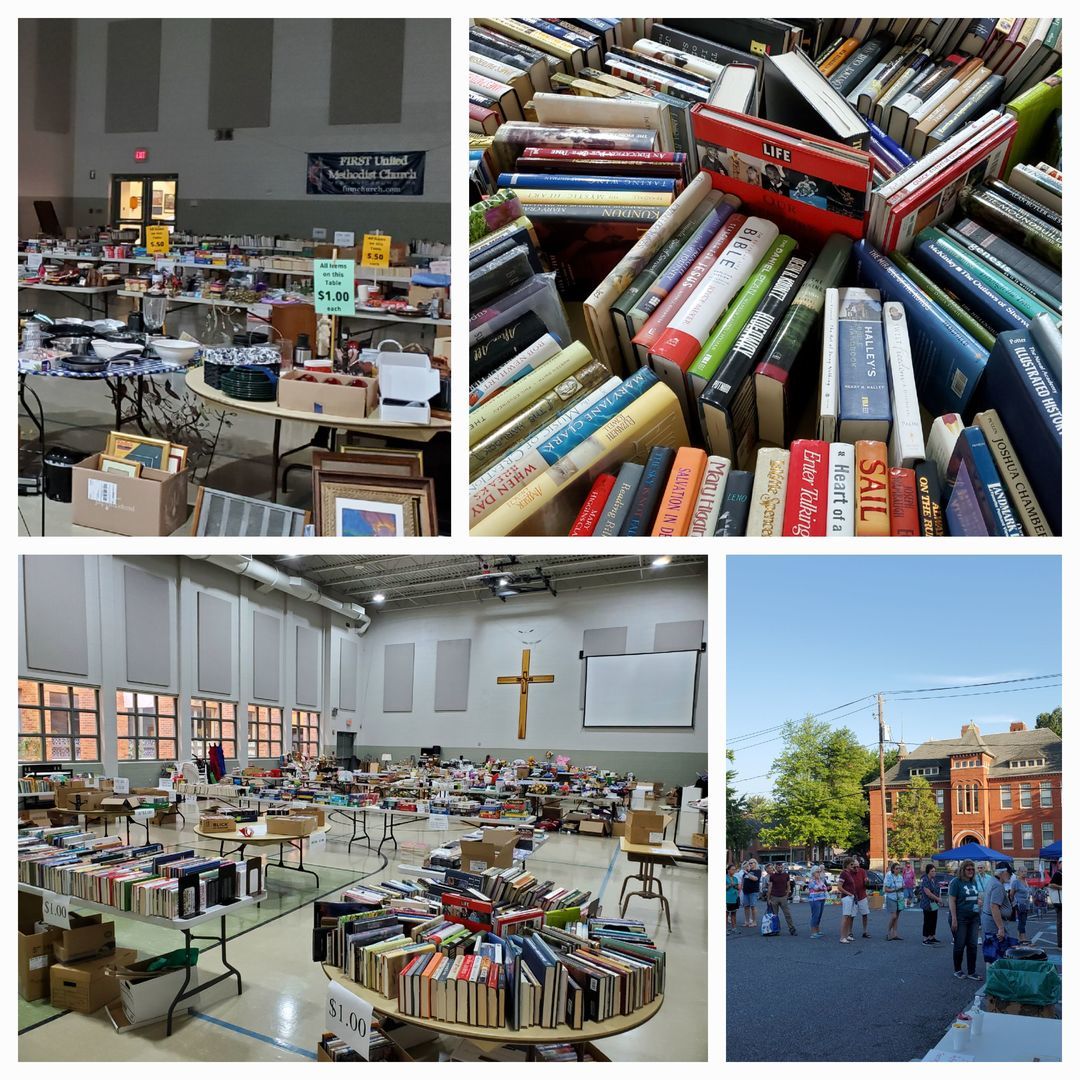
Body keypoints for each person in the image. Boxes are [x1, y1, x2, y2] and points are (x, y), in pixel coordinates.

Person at [948, 860, 983, 979]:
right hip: (960, 917)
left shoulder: (974, 882)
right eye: (968, 869)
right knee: (960, 944)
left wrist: (979, 902)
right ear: (963, 870)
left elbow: (975, 896)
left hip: (973, 917)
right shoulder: (956, 882)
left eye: (973, 869)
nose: (971, 871)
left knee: (973, 944)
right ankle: (958, 969)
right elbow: (952, 900)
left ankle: (972, 971)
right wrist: (954, 918)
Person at [981, 861, 1016, 967]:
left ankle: (992, 977)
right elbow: (994, 906)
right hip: (993, 923)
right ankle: (994, 979)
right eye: (1009, 873)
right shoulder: (997, 886)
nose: (1010, 876)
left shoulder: (992, 881)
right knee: (994, 953)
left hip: (989, 920)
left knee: (990, 953)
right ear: (1003, 872)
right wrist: (1000, 928)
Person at [838, 857, 870, 943]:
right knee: (847, 916)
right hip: (849, 897)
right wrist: (849, 893)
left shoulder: (849, 873)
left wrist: (867, 881)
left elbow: (865, 883)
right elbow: (839, 887)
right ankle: (843, 936)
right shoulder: (844, 873)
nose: (854, 867)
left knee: (849, 916)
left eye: (856, 866)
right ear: (847, 865)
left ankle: (846, 936)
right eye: (852, 865)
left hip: (856, 897)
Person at [766, 863, 797, 935]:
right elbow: (770, 887)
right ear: (775, 868)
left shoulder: (786, 875)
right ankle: (775, 930)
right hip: (774, 897)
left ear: (782, 867)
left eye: (781, 867)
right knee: (774, 915)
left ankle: (792, 928)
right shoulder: (772, 876)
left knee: (787, 914)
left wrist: (787, 895)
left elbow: (788, 886)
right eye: (778, 867)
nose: (780, 868)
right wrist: (768, 898)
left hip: (783, 897)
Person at [883, 861, 905, 940]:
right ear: (893, 869)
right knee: (894, 916)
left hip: (900, 898)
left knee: (897, 917)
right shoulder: (889, 876)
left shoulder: (900, 877)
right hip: (892, 898)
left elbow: (902, 886)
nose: (898, 870)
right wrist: (896, 889)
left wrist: (902, 888)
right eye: (897, 868)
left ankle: (895, 934)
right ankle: (888, 933)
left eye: (899, 868)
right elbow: (886, 889)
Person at [920, 863, 941, 945]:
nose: (934, 872)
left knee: (934, 920)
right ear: (928, 872)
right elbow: (928, 893)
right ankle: (925, 938)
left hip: (934, 903)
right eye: (932, 871)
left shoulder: (934, 880)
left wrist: (938, 899)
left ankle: (932, 937)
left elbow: (937, 890)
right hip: (927, 903)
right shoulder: (925, 880)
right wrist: (938, 899)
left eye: (935, 871)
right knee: (927, 921)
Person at [807, 866, 829, 938]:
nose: (819, 873)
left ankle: (817, 930)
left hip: (821, 898)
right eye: (817, 872)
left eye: (819, 871)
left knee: (819, 916)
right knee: (815, 916)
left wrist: (823, 888)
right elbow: (817, 888)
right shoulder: (811, 881)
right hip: (814, 900)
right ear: (813, 873)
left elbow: (825, 887)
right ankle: (813, 932)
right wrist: (823, 888)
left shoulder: (820, 880)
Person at [1010, 869, 1032, 943]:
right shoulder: (1016, 882)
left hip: (1026, 904)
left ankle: (1019, 936)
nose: (1024, 873)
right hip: (1019, 904)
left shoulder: (1026, 881)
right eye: (1022, 871)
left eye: (1025, 871)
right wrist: (1014, 902)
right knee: (1021, 920)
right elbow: (1011, 893)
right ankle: (1023, 937)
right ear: (1018, 873)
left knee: (1024, 921)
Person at [741, 859, 761, 928]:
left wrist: (747, 873)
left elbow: (755, 879)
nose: (750, 864)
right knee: (746, 907)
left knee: (753, 907)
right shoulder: (747, 871)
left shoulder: (758, 871)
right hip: (746, 891)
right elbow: (743, 880)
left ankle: (754, 922)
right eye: (749, 863)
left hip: (753, 891)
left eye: (751, 863)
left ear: (755, 863)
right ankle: (747, 921)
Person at [1049, 859, 1062, 947]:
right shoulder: (1058, 874)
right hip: (1060, 903)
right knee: (1061, 924)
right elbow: (1051, 884)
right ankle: (1060, 944)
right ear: (1059, 864)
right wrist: (1061, 887)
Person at [726, 864, 741, 933]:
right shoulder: (725, 877)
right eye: (732, 869)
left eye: (735, 869)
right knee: (726, 914)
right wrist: (730, 885)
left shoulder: (735, 878)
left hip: (734, 898)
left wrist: (736, 886)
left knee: (734, 913)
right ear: (728, 870)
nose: (734, 871)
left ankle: (734, 928)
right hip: (727, 898)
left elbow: (738, 888)